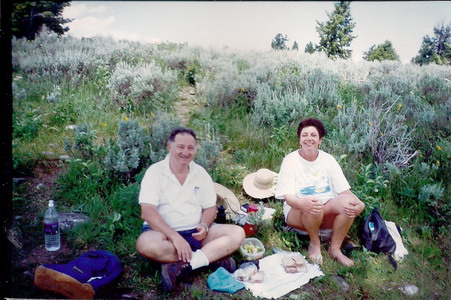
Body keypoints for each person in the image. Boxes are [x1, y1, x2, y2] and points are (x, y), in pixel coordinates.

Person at [136, 127, 245, 292]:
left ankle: (184, 266)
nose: (185, 152)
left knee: (238, 233)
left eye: (190, 148)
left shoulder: (200, 173)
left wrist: (204, 225)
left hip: (195, 233)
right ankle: (212, 257)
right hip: (163, 234)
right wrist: (174, 237)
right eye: (180, 147)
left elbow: (210, 208)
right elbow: (147, 212)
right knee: (146, 245)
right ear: (169, 147)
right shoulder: (155, 172)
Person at [275, 118, 364, 267]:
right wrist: (301, 203)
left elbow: (344, 191)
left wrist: (360, 204)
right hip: (298, 211)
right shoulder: (290, 160)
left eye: (313, 135)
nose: (308, 138)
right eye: (304, 135)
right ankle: (314, 244)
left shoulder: (328, 160)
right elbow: (288, 197)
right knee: (313, 203)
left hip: (326, 209)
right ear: (299, 139)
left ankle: (335, 249)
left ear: (320, 140)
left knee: (348, 203)